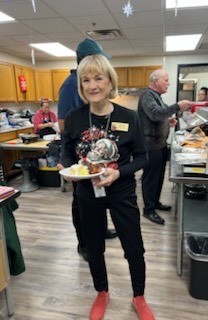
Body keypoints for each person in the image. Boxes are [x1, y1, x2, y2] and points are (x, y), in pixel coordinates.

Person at [60, 54, 155, 320]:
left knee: (134, 247)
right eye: (86, 80)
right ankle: (102, 291)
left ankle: (139, 296)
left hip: (121, 191)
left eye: (98, 78)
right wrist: (67, 168)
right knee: (93, 246)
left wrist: (119, 173)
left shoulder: (128, 117)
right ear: (80, 86)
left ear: (110, 82)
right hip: (87, 193)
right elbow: (66, 151)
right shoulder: (74, 117)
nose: (92, 85)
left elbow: (142, 158)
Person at [57, 39, 117, 261]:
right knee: (80, 202)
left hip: (95, 152)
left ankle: (99, 231)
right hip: (79, 156)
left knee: (97, 195)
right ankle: (84, 243)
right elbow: (63, 125)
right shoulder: (71, 85)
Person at [138, 68, 193, 225]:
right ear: (156, 81)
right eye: (166, 80)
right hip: (151, 146)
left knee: (159, 177)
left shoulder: (157, 97)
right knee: (150, 179)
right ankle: (148, 210)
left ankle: (155, 202)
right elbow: (155, 114)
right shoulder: (147, 96)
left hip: (160, 144)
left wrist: (167, 122)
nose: (169, 83)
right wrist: (177, 106)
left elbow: (159, 117)